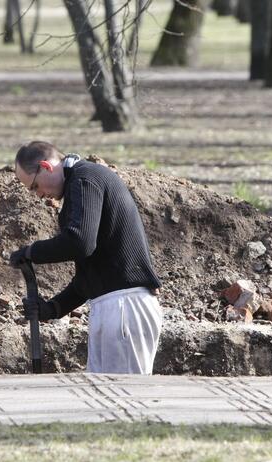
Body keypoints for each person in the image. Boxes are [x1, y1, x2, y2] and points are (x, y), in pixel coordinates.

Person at [9, 141, 163, 375]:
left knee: (127, 400)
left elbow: (80, 242)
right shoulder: (77, 188)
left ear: (45, 166)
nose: (38, 195)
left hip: (125, 306)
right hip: (111, 306)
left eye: (34, 186)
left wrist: (33, 252)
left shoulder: (85, 179)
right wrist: (53, 309)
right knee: (106, 401)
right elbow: (88, 276)